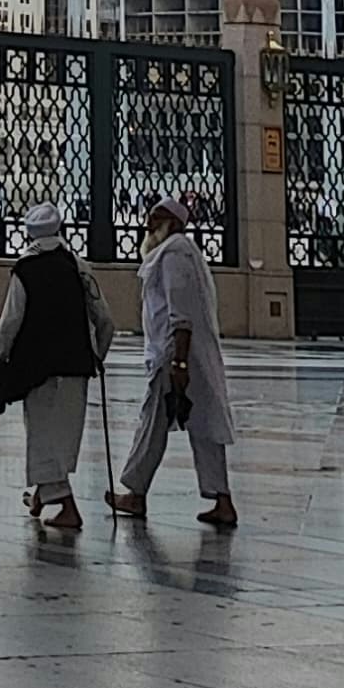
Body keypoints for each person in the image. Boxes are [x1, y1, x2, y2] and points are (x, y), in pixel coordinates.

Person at [0, 199, 114, 534]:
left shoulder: (26, 268)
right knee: (61, 438)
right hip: (76, 368)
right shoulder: (79, 265)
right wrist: (96, 355)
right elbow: (106, 320)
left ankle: (67, 507)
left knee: (42, 436)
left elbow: (10, 321)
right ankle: (41, 498)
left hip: (38, 369)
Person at [111, 195, 236, 528]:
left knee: (152, 424)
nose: (149, 224)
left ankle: (135, 493)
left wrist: (178, 362)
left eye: (157, 218)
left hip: (175, 356)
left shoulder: (173, 255)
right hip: (186, 355)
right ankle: (222, 500)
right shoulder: (179, 252)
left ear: (173, 223)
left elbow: (180, 314)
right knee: (204, 426)